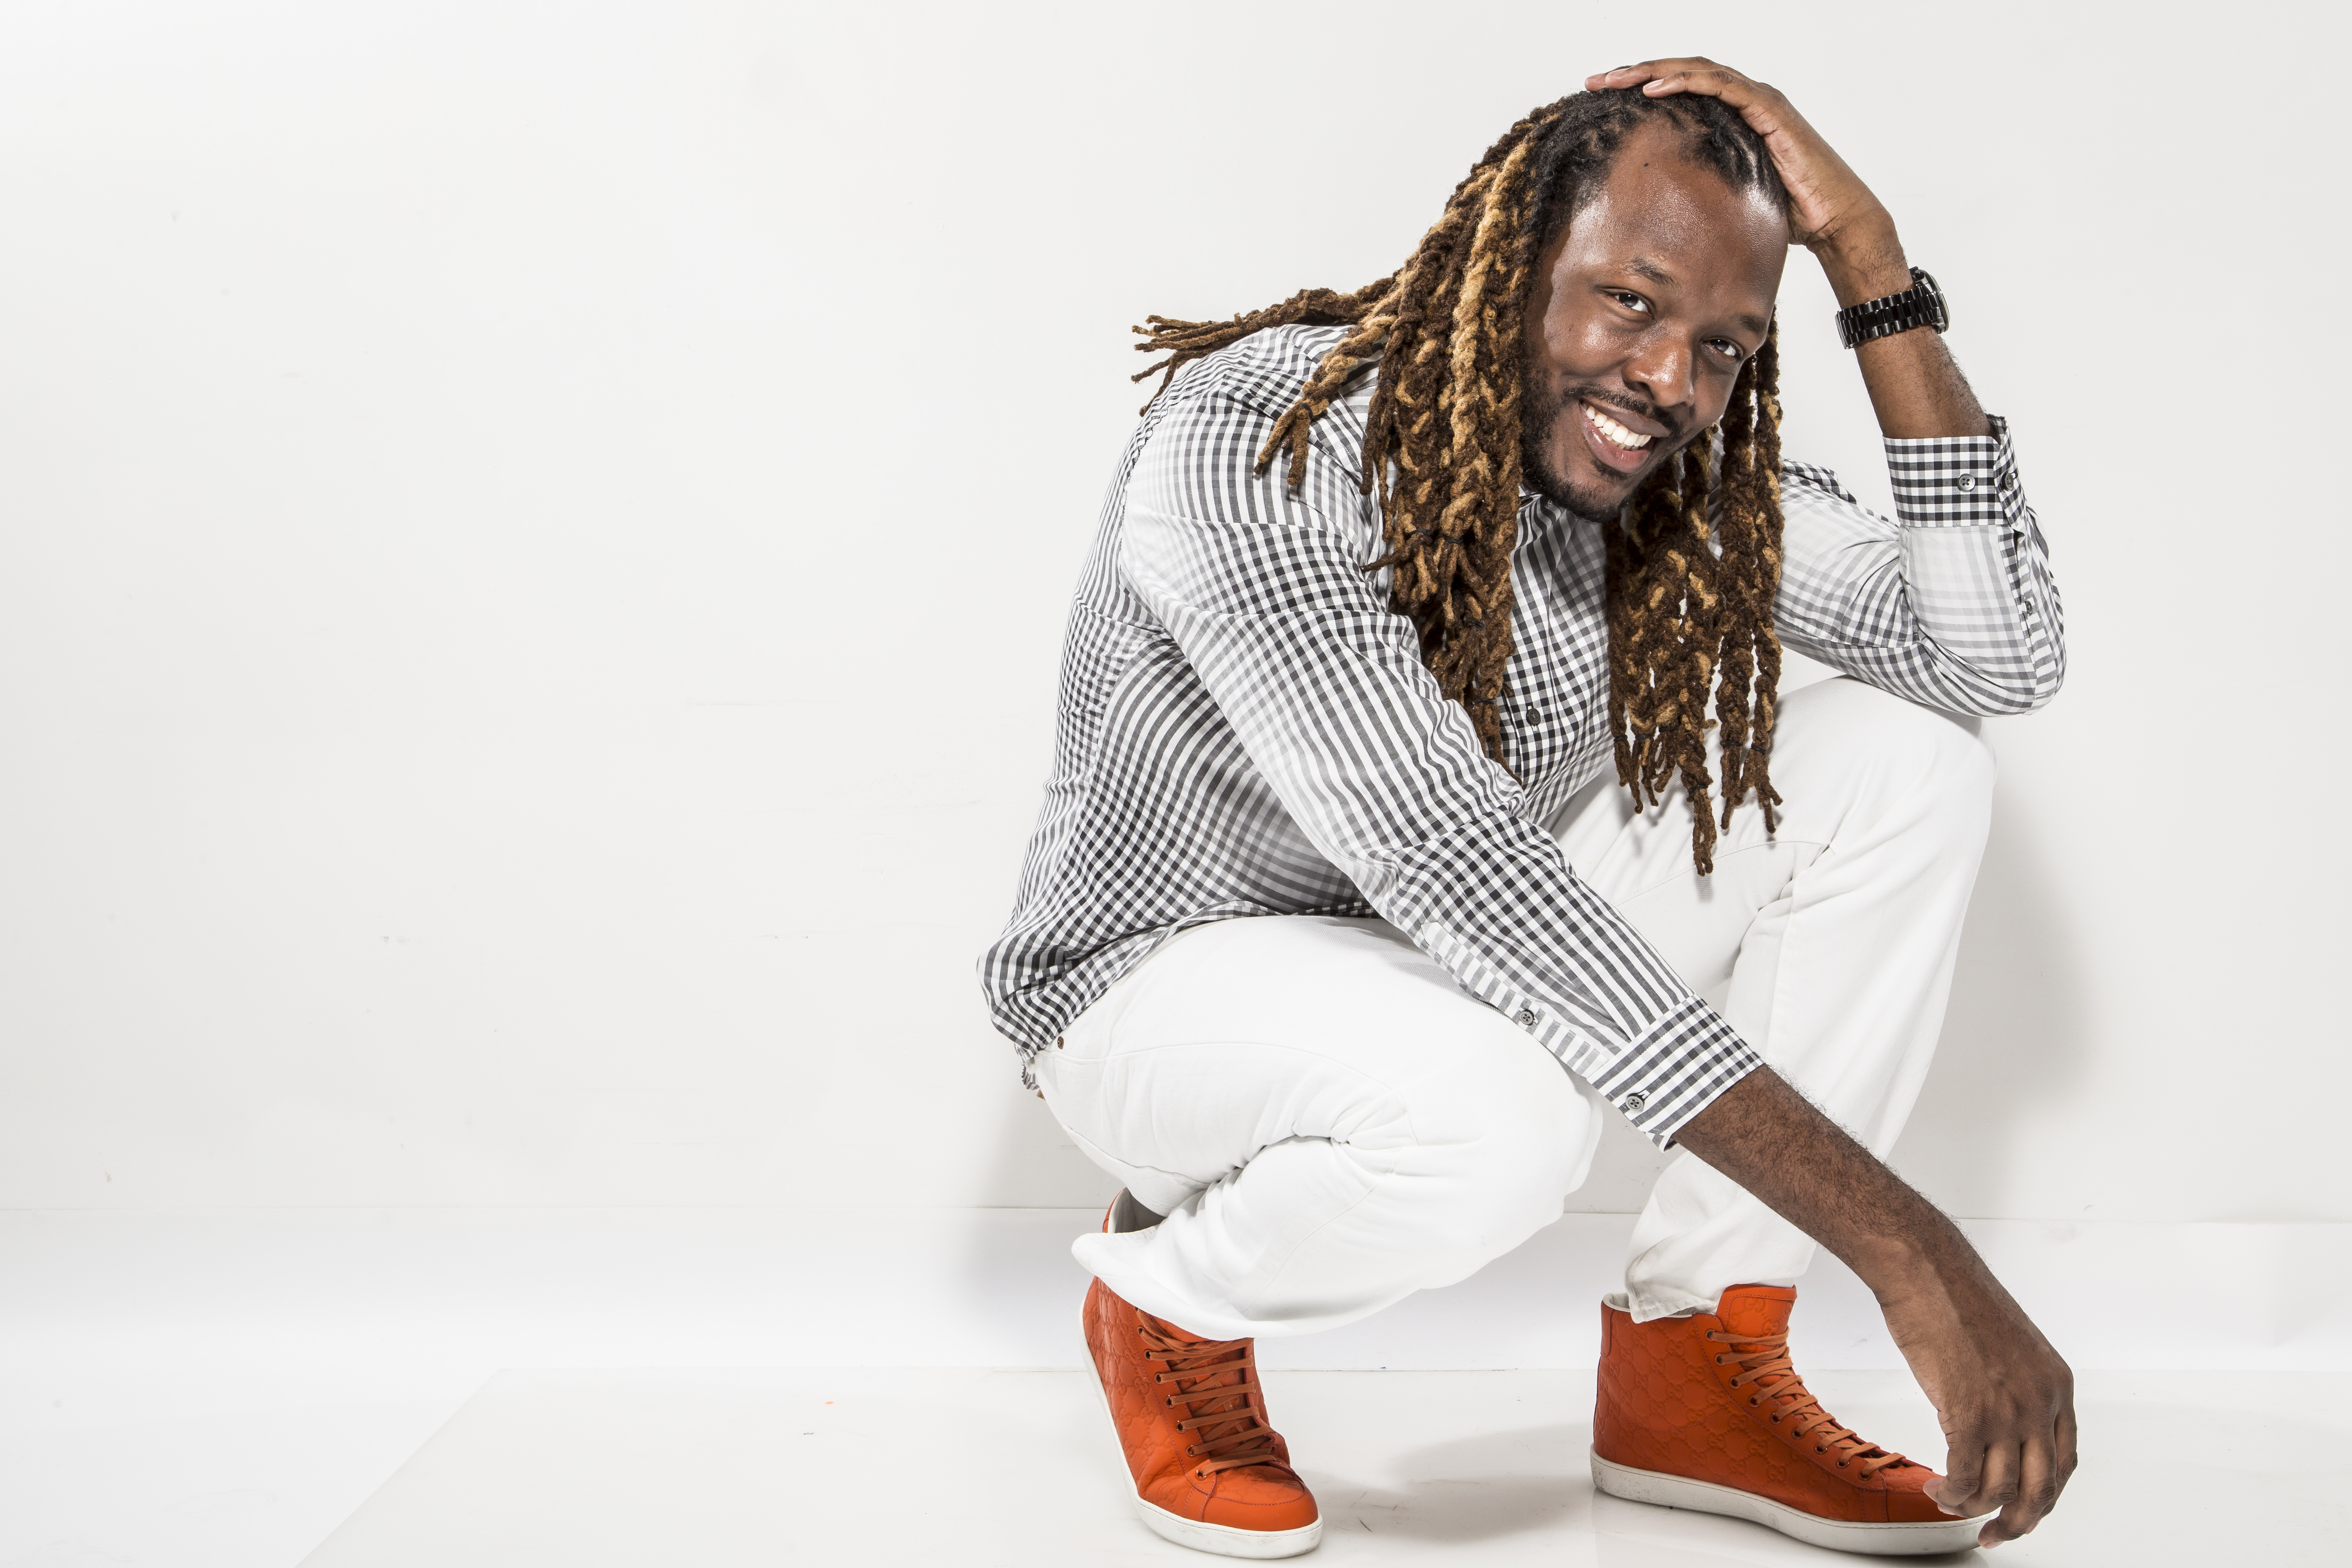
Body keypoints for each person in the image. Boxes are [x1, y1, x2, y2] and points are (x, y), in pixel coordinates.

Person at [980, 59, 2074, 1559]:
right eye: (1630, 301)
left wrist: (1875, 269)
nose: (1671, 381)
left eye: (1724, 344)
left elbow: (1993, 658)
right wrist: (1907, 1245)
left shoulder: (1664, 469)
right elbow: (1453, 857)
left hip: (1434, 965)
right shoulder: (1262, 438)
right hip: (1152, 985)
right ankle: (1169, 1289)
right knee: (1496, 1128)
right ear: (1509, 259)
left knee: (1911, 760)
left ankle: (1699, 1356)